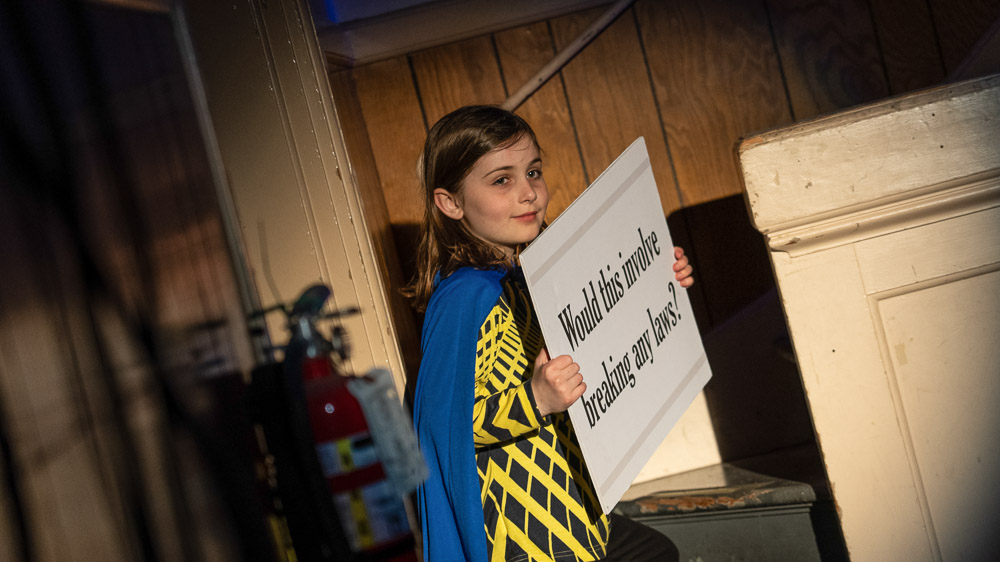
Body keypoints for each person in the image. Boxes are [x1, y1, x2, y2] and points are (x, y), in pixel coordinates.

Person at [407, 105, 693, 561]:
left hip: (576, 506)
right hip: (527, 526)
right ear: (451, 202)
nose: (529, 194)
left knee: (656, 553)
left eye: (533, 172)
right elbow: (448, 427)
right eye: (502, 180)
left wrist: (654, 279)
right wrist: (535, 400)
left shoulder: (533, 276)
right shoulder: (465, 298)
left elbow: (597, 333)